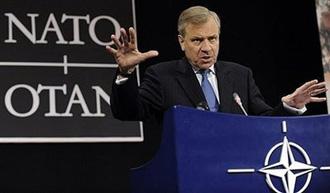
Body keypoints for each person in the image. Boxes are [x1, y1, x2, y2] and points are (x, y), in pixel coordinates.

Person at [106, 6, 327, 164]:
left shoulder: (240, 75)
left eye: (212, 39)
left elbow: (262, 124)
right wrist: (125, 72)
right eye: (197, 40)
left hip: (240, 168)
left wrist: (290, 106)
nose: (207, 48)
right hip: (187, 171)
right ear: (181, 41)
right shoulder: (162, 76)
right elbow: (128, 111)